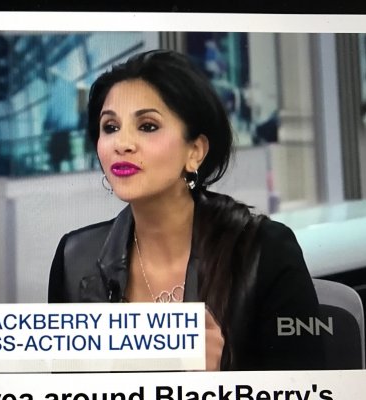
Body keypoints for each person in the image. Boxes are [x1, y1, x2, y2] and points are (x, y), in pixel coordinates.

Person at [48, 50, 323, 371]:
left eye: (147, 126)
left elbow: (306, 390)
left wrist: (218, 380)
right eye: (110, 127)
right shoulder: (74, 259)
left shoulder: (265, 250)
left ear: (195, 151)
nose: (121, 144)